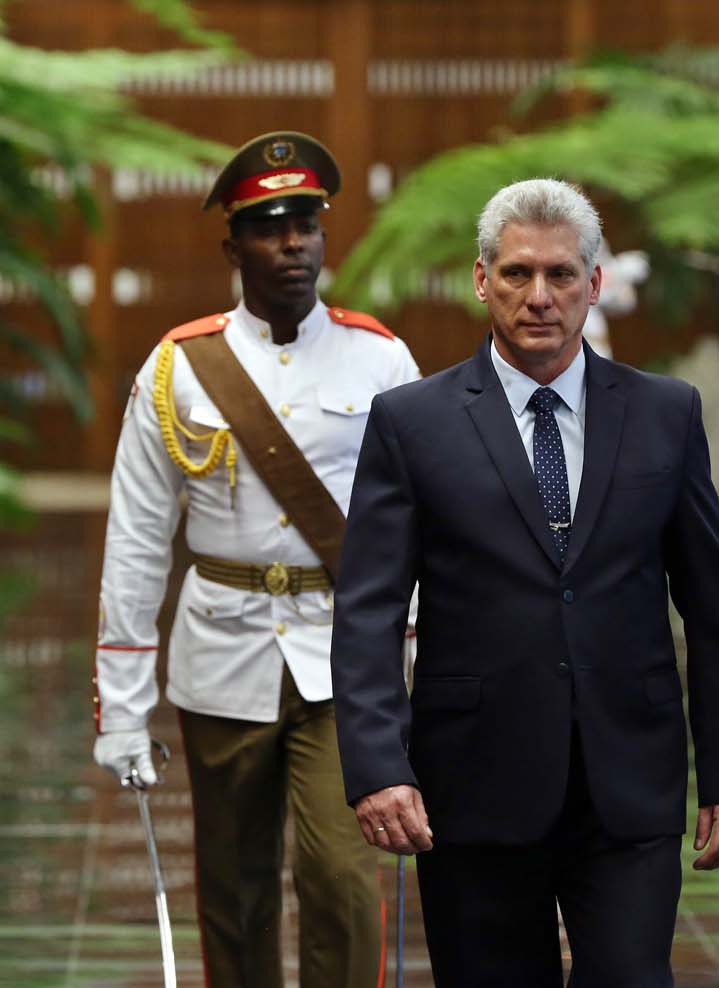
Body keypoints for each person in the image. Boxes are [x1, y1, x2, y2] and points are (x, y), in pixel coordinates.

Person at [330, 178, 719, 986]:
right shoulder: (412, 422)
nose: (540, 297)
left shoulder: (666, 412)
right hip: (473, 780)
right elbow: (367, 611)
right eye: (519, 273)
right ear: (481, 279)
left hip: (629, 776)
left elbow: (715, 610)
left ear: (595, 285)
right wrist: (379, 765)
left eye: (562, 275)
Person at [91, 131, 420, 988]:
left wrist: (421, 649)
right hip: (223, 649)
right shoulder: (177, 369)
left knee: (344, 878)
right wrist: (123, 709)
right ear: (231, 246)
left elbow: (417, 521)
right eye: (271, 226)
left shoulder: (379, 358)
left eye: (306, 222)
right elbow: (135, 539)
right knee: (234, 890)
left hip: (344, 655)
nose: (293, 243)